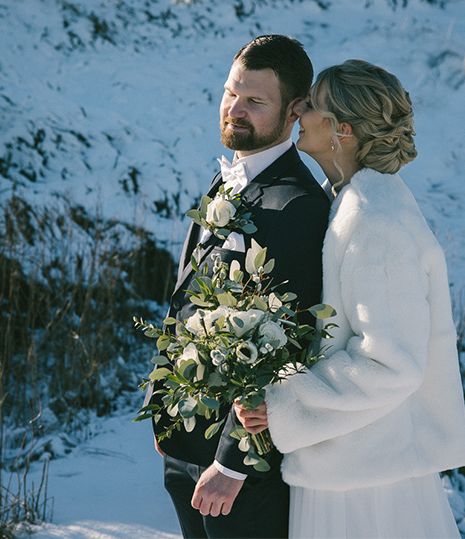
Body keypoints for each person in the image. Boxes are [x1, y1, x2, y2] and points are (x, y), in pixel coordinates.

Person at [235, 59, 465, 538]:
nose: (299, 112)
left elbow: (391, 363)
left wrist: (286, 404)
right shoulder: (351, 200)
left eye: (313, 106)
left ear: (341, 129)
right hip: (354, 459)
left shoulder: (373, 220)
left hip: (364, 482)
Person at [145, 35, 330, 538]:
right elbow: (184, 300)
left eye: (255, 101)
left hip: (238, 471)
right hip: (184, 442)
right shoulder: (226, 179)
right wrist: (164, 408)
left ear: (295, 111)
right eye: (231, 93)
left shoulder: (298, 206)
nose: (235, 109)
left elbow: (287, 346)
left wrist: (232, 465)